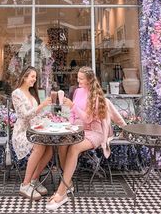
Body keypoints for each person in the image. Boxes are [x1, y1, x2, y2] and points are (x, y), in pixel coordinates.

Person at [46, 66, 127, 210]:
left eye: (81, 78)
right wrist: (69, 125)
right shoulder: (77, 91)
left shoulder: (95, 96)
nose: (78, 80)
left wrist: (72, 106)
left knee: (74, 147)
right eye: (78, 77)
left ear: (89, 80)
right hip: (77, 129)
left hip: (93, 132)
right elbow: (72, 113)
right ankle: (68, 182)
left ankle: (62, 192)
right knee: (63, 144)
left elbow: (88, 119)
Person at [12, 65, 52, 200]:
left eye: (35, 77)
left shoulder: (32, 93)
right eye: (32, 76)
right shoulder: (17, 93)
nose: (35, 79)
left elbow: (36, 115)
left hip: (34, 129)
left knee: (50, 148)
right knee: (40, 145)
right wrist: (42, 106)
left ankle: (34, 181)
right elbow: (24, 115)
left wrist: (47, 118)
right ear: (24, 77)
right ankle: (25, 184)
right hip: (22, 132)